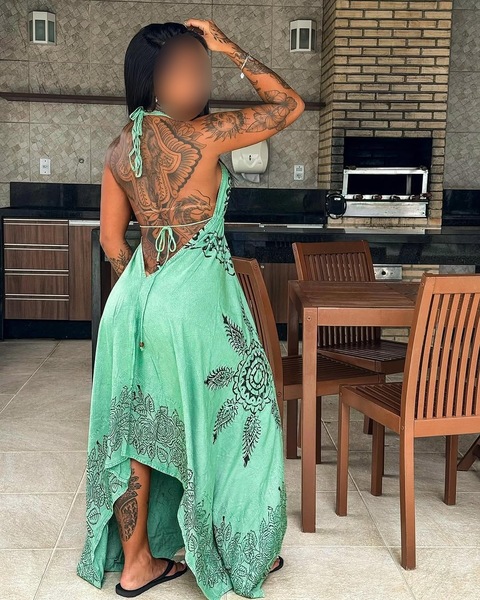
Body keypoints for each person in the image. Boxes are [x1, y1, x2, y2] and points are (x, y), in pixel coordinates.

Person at [76, 18, 305, 600]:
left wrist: (146, 294)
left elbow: (111, 241)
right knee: (239, 421)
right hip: (197, 303)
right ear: (152, 81)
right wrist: (228, 45)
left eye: (204, 67)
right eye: (187, 69)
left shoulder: (120, 146)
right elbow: (289, 104)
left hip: (131, 303)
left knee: (133, 428)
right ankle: (239, 553)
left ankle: (136, 565)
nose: (201, 80)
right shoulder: (203, 134)